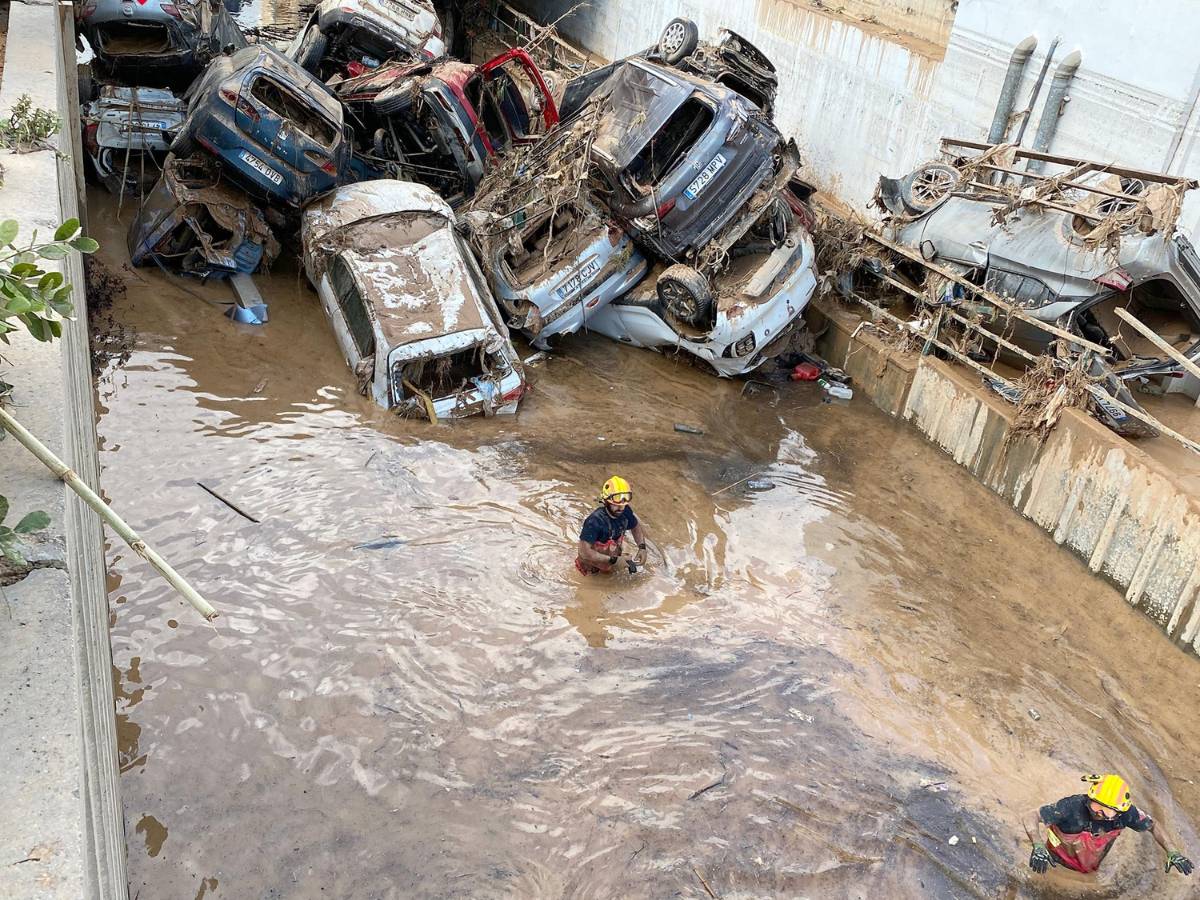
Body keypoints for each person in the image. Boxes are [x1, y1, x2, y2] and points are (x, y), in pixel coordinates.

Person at [1025, 774, 1193, 878]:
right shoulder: (1070, 807)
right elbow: (1031, 815)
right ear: (1090, 797)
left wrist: (1173, 851)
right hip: (1055, 860)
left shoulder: (1127, 814)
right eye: (1097, 806)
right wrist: (1038, 846)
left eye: (1108, 811)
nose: (1100, 813)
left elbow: (1153, 825)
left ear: (1120, 811)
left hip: (1093, 863)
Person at [575, 476, 648, 576]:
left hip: (611, 558)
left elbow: (635, 527)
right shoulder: (594, 521)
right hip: (590, 566)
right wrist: (614, 560)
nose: (621, 507)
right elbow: (584, 552)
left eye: (624, 503)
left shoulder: (625, 512)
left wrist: (642, 547)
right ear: (606, 501)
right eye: (616, 503)